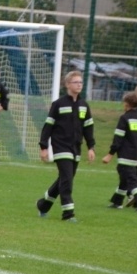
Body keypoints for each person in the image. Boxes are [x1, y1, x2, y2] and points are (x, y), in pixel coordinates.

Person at [35, 71, 95, 222]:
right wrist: (43, 147)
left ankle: (43, 205)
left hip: (76, 148)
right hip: (61, 147)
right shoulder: (59, 104)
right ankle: (68, 213)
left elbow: (88, 128)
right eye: (76, 82)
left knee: (64, 178)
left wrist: (91, 147)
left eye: (81, 82)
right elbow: (48, 126)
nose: (79, 84)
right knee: (67, 179)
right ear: (67, 85)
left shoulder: (84, 106)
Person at [103, 92, 137, 212]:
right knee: (125, 177)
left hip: (125, 155)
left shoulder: (124, 118)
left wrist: (110, 154)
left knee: (130, 179)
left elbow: (118, 138)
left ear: (127, 104)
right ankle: (117, 202)